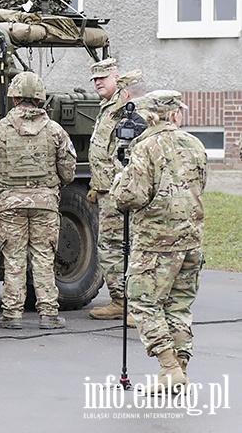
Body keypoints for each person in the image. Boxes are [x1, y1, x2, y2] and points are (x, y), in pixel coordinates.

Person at [111, 90, 207, 394]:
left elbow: (128, 197)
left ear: (148, 116)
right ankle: (180, 371)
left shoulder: (144, 147)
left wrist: (118, 179)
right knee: (179, 305)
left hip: (155, 243)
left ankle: (168, 366)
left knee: (142, 301)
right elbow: (200, 183)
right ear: (175, 114)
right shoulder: (196, 144)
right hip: (191, 240)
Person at [0, 71, 77, 330]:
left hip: (10, 204)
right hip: (45, 203)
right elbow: (68, 170)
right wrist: (50, 188)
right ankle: (48, 314)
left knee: (14, 258)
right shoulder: (56, 131)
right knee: (44, 256)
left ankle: (12, 314)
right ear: (40, 98)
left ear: (14, 97)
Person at [86, 59, 145, 322]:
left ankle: (131, 303)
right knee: (111, 246)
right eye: (95, 79)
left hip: (119, 190)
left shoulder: (125, 106)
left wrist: (119, 187)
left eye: (103, 77)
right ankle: (121, 300)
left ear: (116, 78)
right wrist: (95, 186)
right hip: (106, 189)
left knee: (118, 246)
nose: (98, 82)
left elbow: (128, 150)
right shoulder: (107, 108)